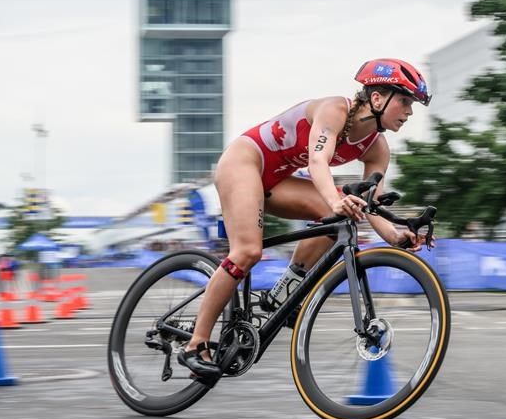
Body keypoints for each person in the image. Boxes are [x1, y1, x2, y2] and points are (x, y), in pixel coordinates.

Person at [179, 58, 433, 382]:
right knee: (247, 253)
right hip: (244, 162)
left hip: (279, 180)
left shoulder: (378, 148)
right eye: (405, 101)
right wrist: (336, 200)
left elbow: (371, 206)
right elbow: (317, 160)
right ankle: (195, 343)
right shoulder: (334, 111)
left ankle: (284, 292)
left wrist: (397, 236)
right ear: (378, 98)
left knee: (343, 218)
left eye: (412, 104)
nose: (409, 111)